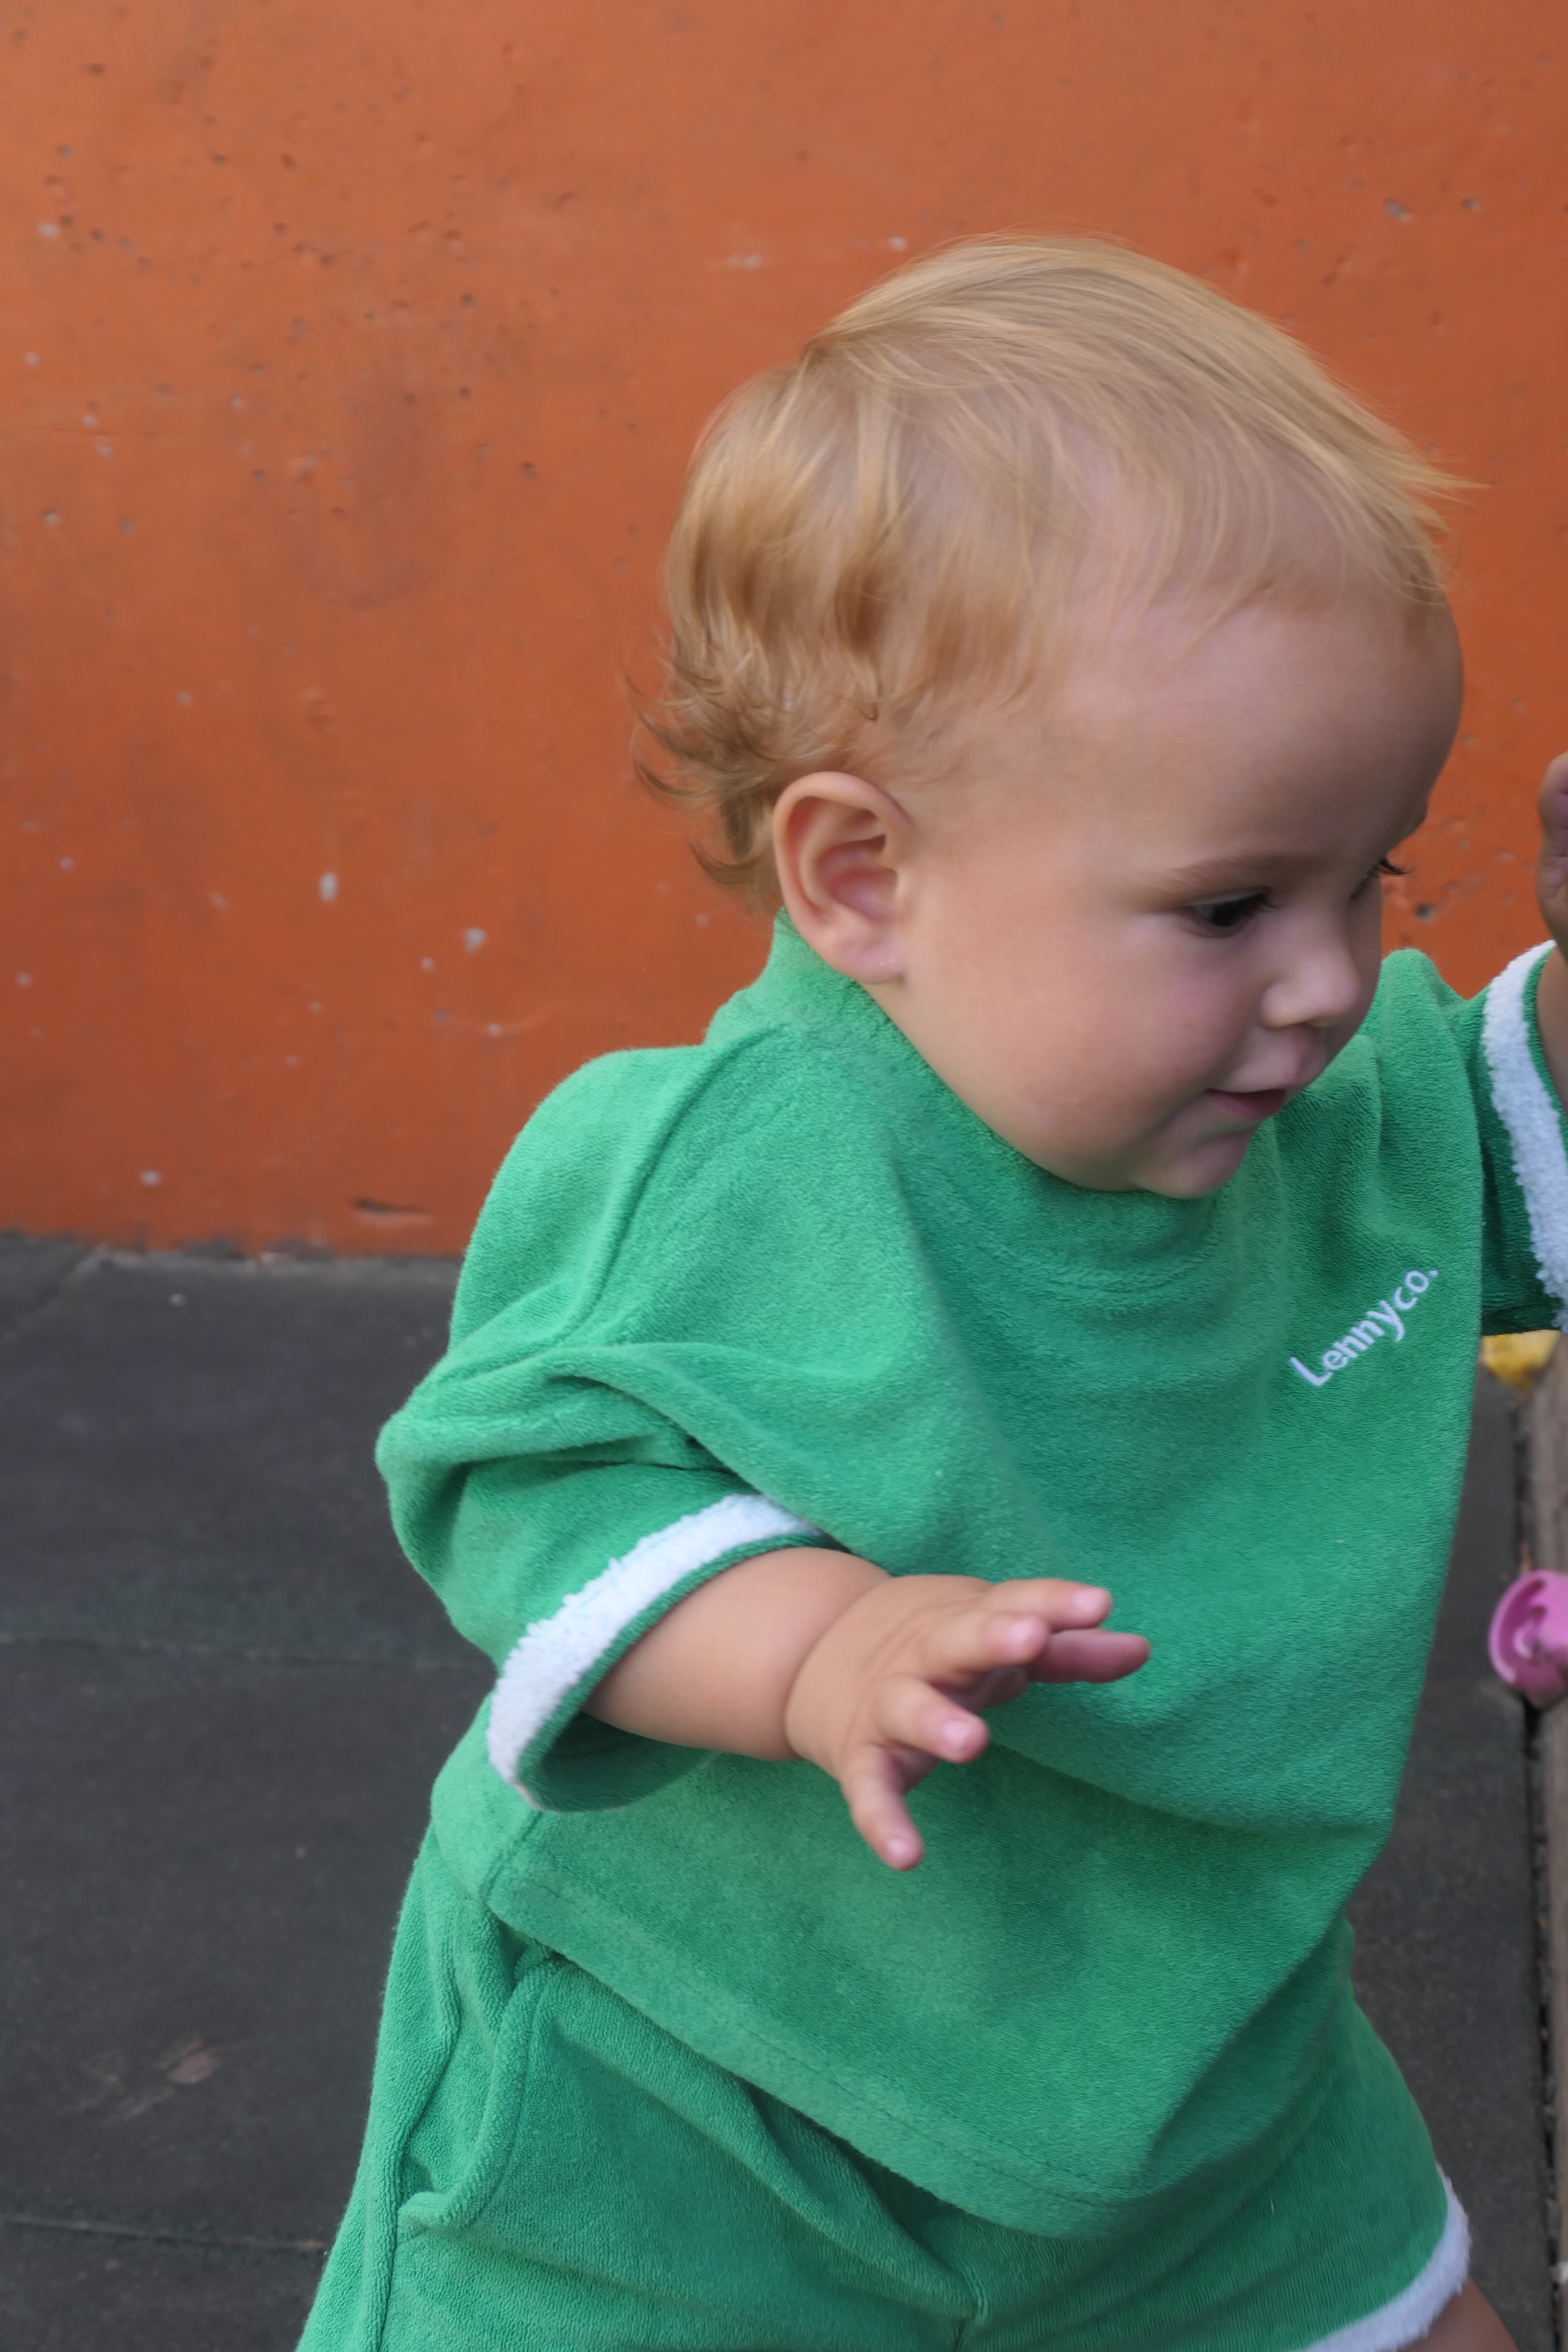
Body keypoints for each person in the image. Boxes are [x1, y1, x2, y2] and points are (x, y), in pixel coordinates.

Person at [300, 239, 1568, 2352]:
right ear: (862, 878)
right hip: (701, 2118)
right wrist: (816, 1643)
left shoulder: (1322, 1116)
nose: (1332, 979)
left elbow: (1516, 1118)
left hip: (1185, 2093)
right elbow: (526, 1488)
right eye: (1234, 902)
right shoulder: (734, 1170)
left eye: (1377, 875)